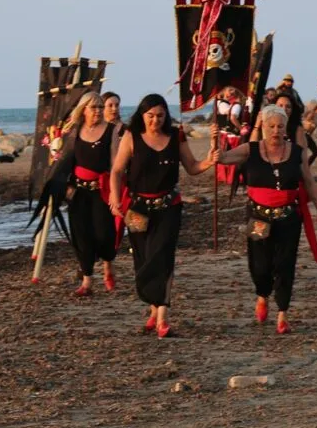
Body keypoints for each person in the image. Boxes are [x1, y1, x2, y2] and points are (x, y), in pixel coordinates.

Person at [108, 94, 217, 338]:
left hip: (169, 207)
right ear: (142, 116)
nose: (155, 120)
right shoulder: (131, 136)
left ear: (166, 115)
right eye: (150, 116)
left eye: (160, 115)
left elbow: (192, 167)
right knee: (144, 259)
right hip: (138, 209)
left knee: (163, 257)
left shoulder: (176, 136)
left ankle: (162, 318)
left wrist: (209, 161)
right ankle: (153, 307)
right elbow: (116, 171)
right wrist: (114, 198)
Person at [216, 105, 317, 334]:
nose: (276, 130)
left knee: (285, 264)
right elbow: (225, 158)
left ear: (285, 128)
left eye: (280, 126)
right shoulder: (252, 149)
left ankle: (282, 314)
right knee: (259, 265)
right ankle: (262, 294)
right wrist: (217, 153)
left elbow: (308, 180)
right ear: (264, 127)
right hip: (258, 217)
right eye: (271, 126)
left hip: (288, 217)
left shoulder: (296, 152)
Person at [65, 92, 119, 296]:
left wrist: (115, 193)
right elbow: (65, 161)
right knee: (81, 235)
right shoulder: (75, 131)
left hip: (101, 191)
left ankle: (108, 266)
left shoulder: (111, 131)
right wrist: (67, 186)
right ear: (83, 110)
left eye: (99, 107)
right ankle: (87, 281)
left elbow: (115, 165)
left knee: (104, 233)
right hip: (78, 192)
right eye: (93, 107)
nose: (97, 111)